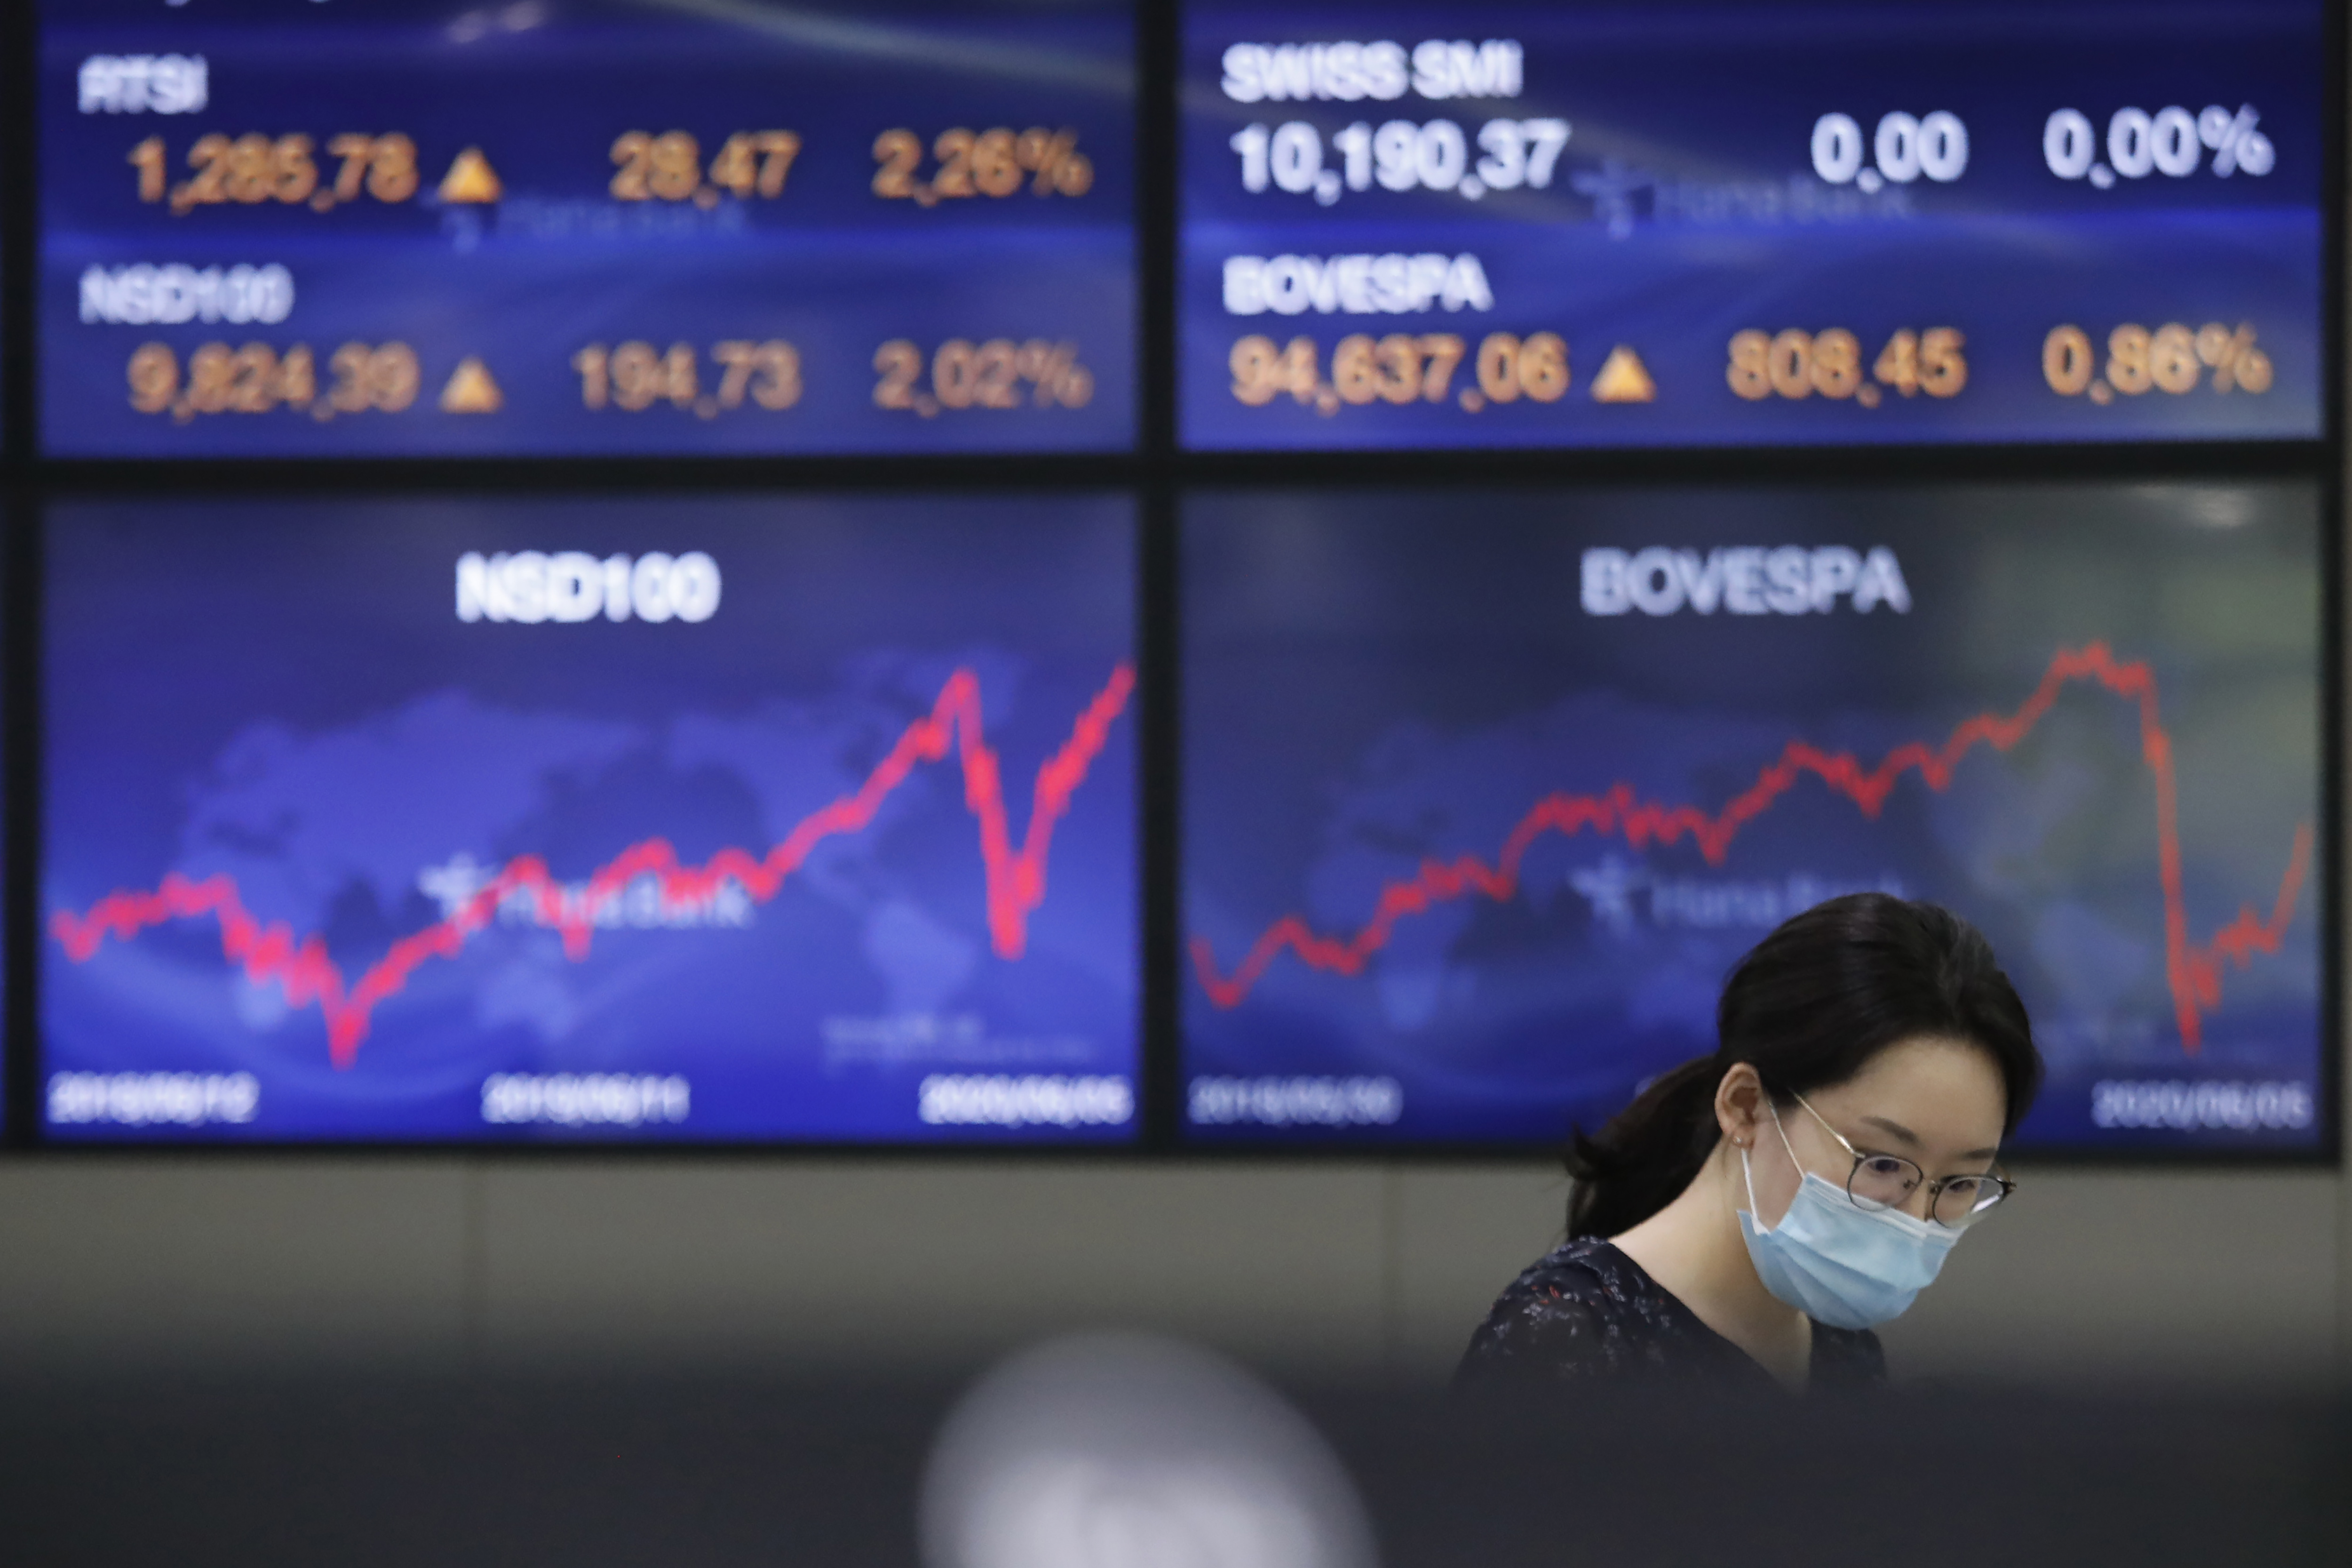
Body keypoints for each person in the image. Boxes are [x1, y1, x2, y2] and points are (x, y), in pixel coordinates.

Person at [1458, 892, 2042, 1392]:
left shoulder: (1845, 1354)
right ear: (1743, 1106)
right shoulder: (1565, 1336)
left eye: (1960, 1183)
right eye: (1882, 1163)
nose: (1915, 1220)